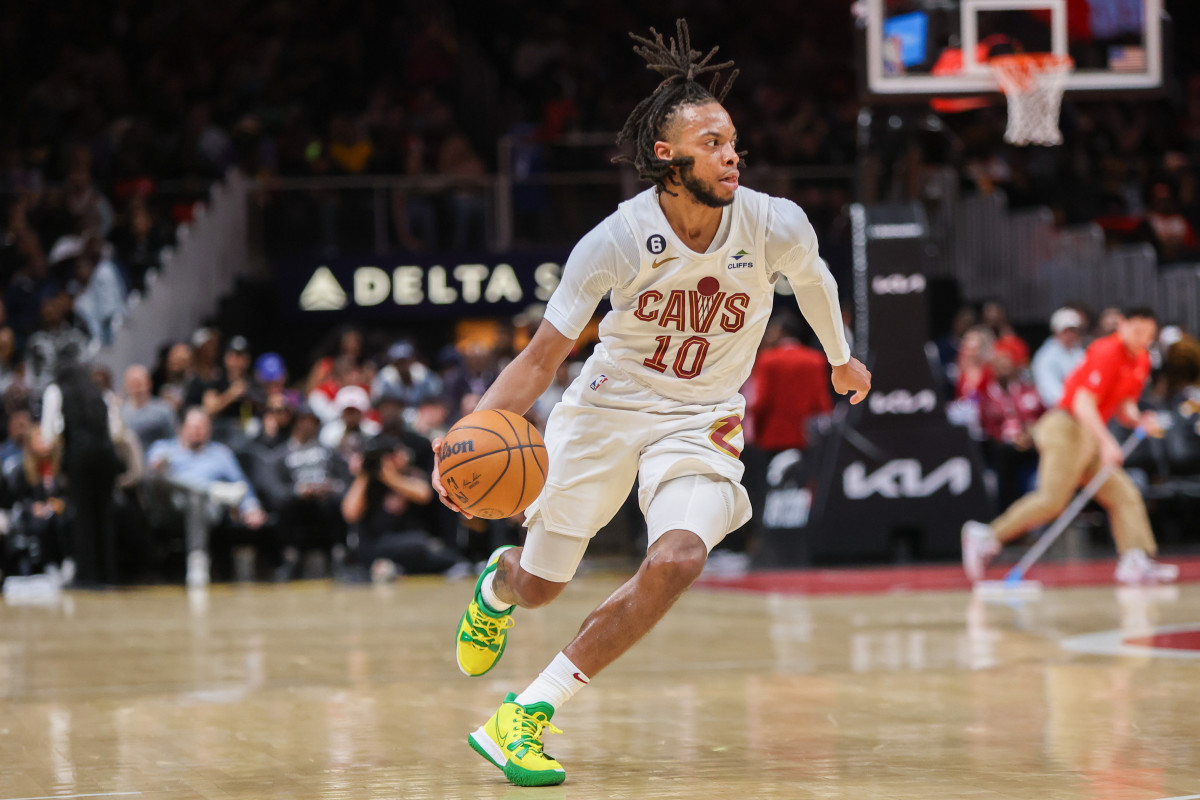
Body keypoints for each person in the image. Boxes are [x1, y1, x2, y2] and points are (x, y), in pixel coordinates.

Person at [435, 21, 871, 788]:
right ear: (668, 158)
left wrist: (841, 357)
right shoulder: (616, 239)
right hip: (606, 410)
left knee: (679, 558)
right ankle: (496, 588)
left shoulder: (775, 223)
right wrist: (464, 436)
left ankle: (525, 716)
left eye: (733, 139)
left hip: (701, 418)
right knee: (540, 588)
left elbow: (816, 282)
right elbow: (542, 358)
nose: (731, 153)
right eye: (711, 142)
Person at [962, 308, 1178, 586]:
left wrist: (1140, 419)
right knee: (1053, 500)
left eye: (1149, 335)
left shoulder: (1141, 358)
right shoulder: (1106, 351)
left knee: (1123, 494)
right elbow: (1082, 403)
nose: (1142, 339)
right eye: (1137, 332)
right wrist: (1107, 442)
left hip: (1087, 434)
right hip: (1066, 427)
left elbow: (1124, 405)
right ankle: (985, 536)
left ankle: (1135, 560)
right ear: (1122, 325)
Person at [146, 408, 267, 587]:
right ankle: (211, 490)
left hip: (209, 510)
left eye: (201, 427)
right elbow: (151, 474)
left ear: (209, 430)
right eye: (193, 426)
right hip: (171, 508)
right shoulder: (164, 448)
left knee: (196, 499)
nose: (197, 431)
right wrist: (159, 466)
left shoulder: (221, 453)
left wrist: (251, 507)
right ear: (182, 428)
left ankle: (197, 562)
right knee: (158, 479)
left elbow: (241, 484)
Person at [1031, 307, 1086, 408]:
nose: (1070, 334)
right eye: (1066, 330)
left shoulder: (1080, 352)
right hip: (1056, 410)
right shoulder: (1045, 356)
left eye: (1073, 330)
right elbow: (1050, 390)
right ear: (1056, 331)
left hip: (1080, 406)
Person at [121, 364, 177, 453]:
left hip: (156, 459)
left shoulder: (163, 410)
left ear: (149, 384)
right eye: (133, 383)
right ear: (126, 385)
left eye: (139, 383)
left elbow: (174, 439)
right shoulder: (120, 411)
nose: (136, 388)